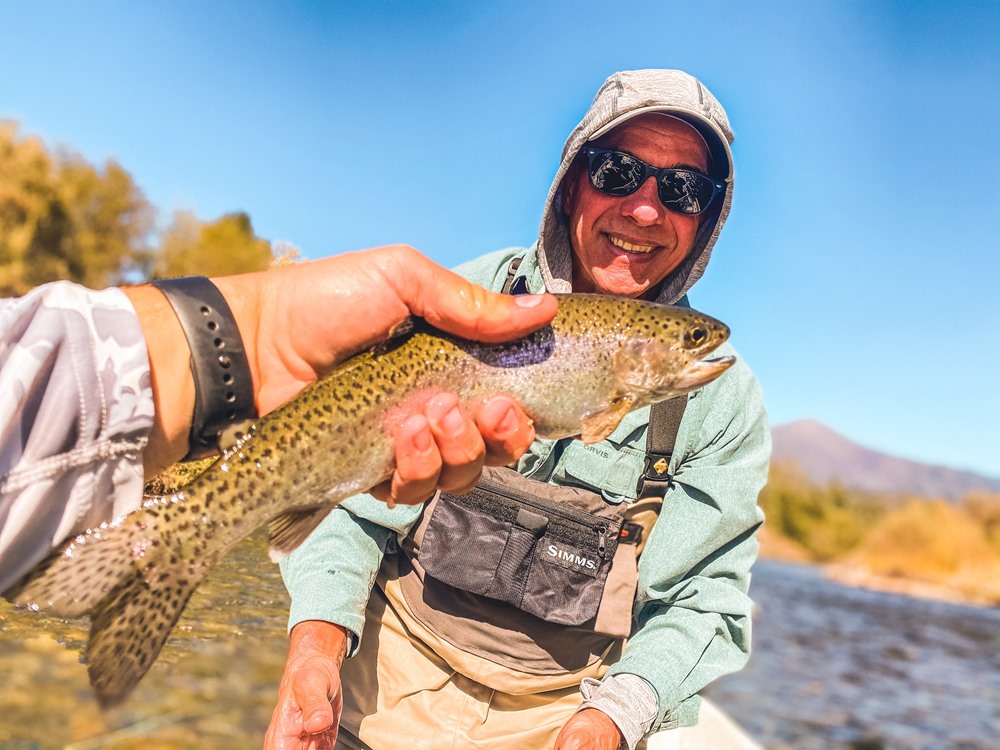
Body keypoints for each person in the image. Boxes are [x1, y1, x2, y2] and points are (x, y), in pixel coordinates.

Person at [267, 69, 770, 750]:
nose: (646, 210)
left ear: (704, 221)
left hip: (559, 719)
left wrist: (612, 719)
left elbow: (702, 599)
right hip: (384, 687)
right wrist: (315, 652)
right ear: (570, 186)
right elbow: (347, 502)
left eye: (683, 190)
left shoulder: (721, 396)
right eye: (618, 171)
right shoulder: (466, 297)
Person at [0, 244, 557, 593]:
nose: (647, 207)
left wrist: (244, 338)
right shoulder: (487, 279)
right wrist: (252, 335)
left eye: (654, 182)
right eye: (617, 171)